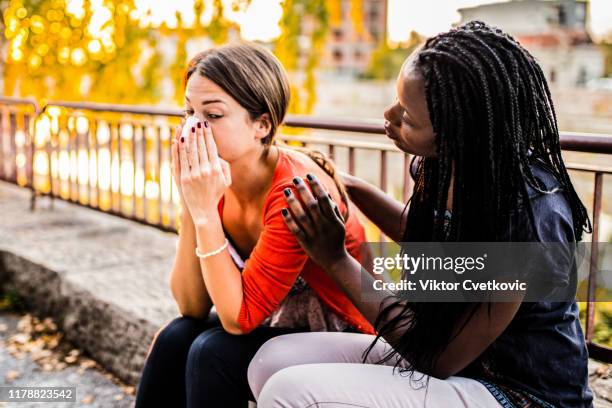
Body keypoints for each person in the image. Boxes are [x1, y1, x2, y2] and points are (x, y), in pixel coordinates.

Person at [248, 21, 593, 408]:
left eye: (408, 118)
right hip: (459, 365)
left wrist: (335, 259)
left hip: (520, 393)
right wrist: (349, 186)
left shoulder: (529, 216)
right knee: (270, 362)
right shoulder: (441, 168)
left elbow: (441, 359)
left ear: (460, 133)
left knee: (290, 392)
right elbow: (434, 240)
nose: (389, 116)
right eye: (396, 100)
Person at [135, 42, 373, 408]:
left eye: (212, 116)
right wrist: (192, 203)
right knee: (175, 337)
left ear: (261, 124)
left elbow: (238, 320)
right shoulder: (217, 179)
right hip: (277, 321)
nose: (192, 128)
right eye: (188, 112)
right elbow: (191, 305)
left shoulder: (294, 193)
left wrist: (203, 212)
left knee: (212, 351)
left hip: (340, 329)